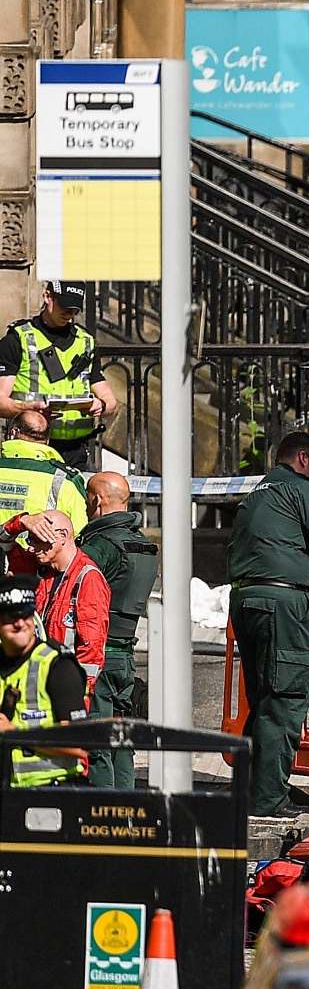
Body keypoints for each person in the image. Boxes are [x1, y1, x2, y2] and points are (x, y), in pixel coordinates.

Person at [228, 429, 309, 818]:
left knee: (263, 700)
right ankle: (269, 802)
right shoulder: (302, 489)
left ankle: (251, 792)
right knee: (283, 703)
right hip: (284, 607)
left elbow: (272, 550)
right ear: (302, 458)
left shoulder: (258, 494)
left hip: (249, 599)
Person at [77, 472, 156, 787]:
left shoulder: (102, 545)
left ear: (95, 500)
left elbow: (76, 587)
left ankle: (103, 817)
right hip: (124, 656)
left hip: (98, 657)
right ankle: (126, 813)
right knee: (122, 742)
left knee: (98, 744)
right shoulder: (143, 545)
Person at [0, 283, 113, 473]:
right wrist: (27, 408)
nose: (68, 314)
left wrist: (100, 405)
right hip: (30, 445)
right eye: (64, 307)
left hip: (76, 449)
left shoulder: (86, 342)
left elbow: (110, 400)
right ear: (47, 296)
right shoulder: (18, 339)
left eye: (74, 310)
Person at [0, 574, 84, 786]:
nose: (20, 623)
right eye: (11, 616)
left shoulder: (57, 666)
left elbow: (79, 745)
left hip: (52, 795)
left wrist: (13, 734)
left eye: (26, 615)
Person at [17, 510, 107, 709]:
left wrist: (78, 695)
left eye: (39, 539)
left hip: (64, 688)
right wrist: (23, 521)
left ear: (63, 536)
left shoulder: (87, 577)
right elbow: (4, 542)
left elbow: (91, 649)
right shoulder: (43, 571)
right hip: (40, 682)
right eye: (30, 540)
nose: (32, 548)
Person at [0, 401, 89, 537]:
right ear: (47, 440)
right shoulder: (67, 479)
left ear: (13, 433)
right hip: (38, 556)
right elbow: (79, 533)